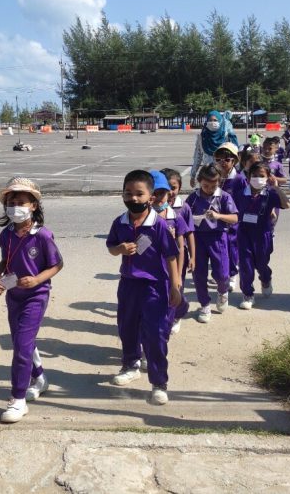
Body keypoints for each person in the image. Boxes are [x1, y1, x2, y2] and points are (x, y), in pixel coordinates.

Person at [0, 177, 63, 423]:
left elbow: (57, 264)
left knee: (22, 345)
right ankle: (39, 377)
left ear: (33, 205)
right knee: (21, 341)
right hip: (14, 295)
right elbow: (6, 260)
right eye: (11, 203)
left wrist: (37, 280)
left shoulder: (42, 236)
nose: (15, 207)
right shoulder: (6, 235)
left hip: (36, 295)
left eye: (21, 202)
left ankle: (18, 399)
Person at [106, 170, 181, 405]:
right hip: (129, 284)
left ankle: (159, 383)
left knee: (156, 333)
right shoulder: (119, 222)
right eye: (128, 193)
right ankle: (130, 365)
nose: (134, 198)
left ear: (151, 197)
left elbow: (171, 256)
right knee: (127, 327)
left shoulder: (158, 225)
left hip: (155, 286)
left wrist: (175, 286)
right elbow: (111, 247)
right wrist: (120, 249)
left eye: (139, 193)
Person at [185, 164, 238, 323]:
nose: (209, 189)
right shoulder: (193, 198)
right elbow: (183, 217)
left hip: (218, 238)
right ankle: (205, 305)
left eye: (213, 186)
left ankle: (222, 292)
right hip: (197, 239)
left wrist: (218, 216)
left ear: (219, 182)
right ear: (199, 181)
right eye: (205, 185)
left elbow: (235, 218)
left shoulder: (224, 197)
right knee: (199, 274)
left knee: (222, 274)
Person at [233, 162, 290, 309]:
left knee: (261, 263)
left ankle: (266, 278)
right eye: (254, 175)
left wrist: (276, 187)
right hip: (244, 233)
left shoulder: (270, 194)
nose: (257, 178)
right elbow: (232, 210)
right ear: (248, 177)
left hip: (263, 234)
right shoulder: (240, 194)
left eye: (261, 176)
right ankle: (248, 294)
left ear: (268, 177)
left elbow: (287, 204)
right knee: (246, 265)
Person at [149, 170, 189, 336]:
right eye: (155, 193)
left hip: (170, 268)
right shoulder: (143, 217)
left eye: (163, 193)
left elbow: (181, 248)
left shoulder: (175, 217)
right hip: (151, 269)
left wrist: (178, 275)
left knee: (173, 296)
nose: (159, 197)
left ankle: (174, 318)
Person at [162, 168, 196, 335]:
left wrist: (193, 257)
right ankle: (165, 316)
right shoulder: (153, 208)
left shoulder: (183, 208)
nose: (170, 191)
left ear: (179, 188)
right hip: (160, 258)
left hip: (178, 257)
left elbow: (189, 234)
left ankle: (177, 314)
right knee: (163, 288)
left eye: (173, 187)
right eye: (165, 188)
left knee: (177, 286)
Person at [214, 142, 245, 292]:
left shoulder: (239, 180)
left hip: (232, 222)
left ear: (234, 160)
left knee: (232, 249)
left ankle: (232, 276)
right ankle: (222, 274)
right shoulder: (215, 178)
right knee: (220, 250)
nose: (223, 162)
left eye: (227, 159)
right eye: (219, 159)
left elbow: (242, 203)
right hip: (216, 221)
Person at [190, 110, 230, 188]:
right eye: (210, 120)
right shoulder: (202, 137)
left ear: (220, 121)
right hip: (207, 175)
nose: (212, 122)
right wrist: (193, 175)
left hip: (223, 177)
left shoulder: (226, 136)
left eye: (215, 120)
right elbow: (197, 157)